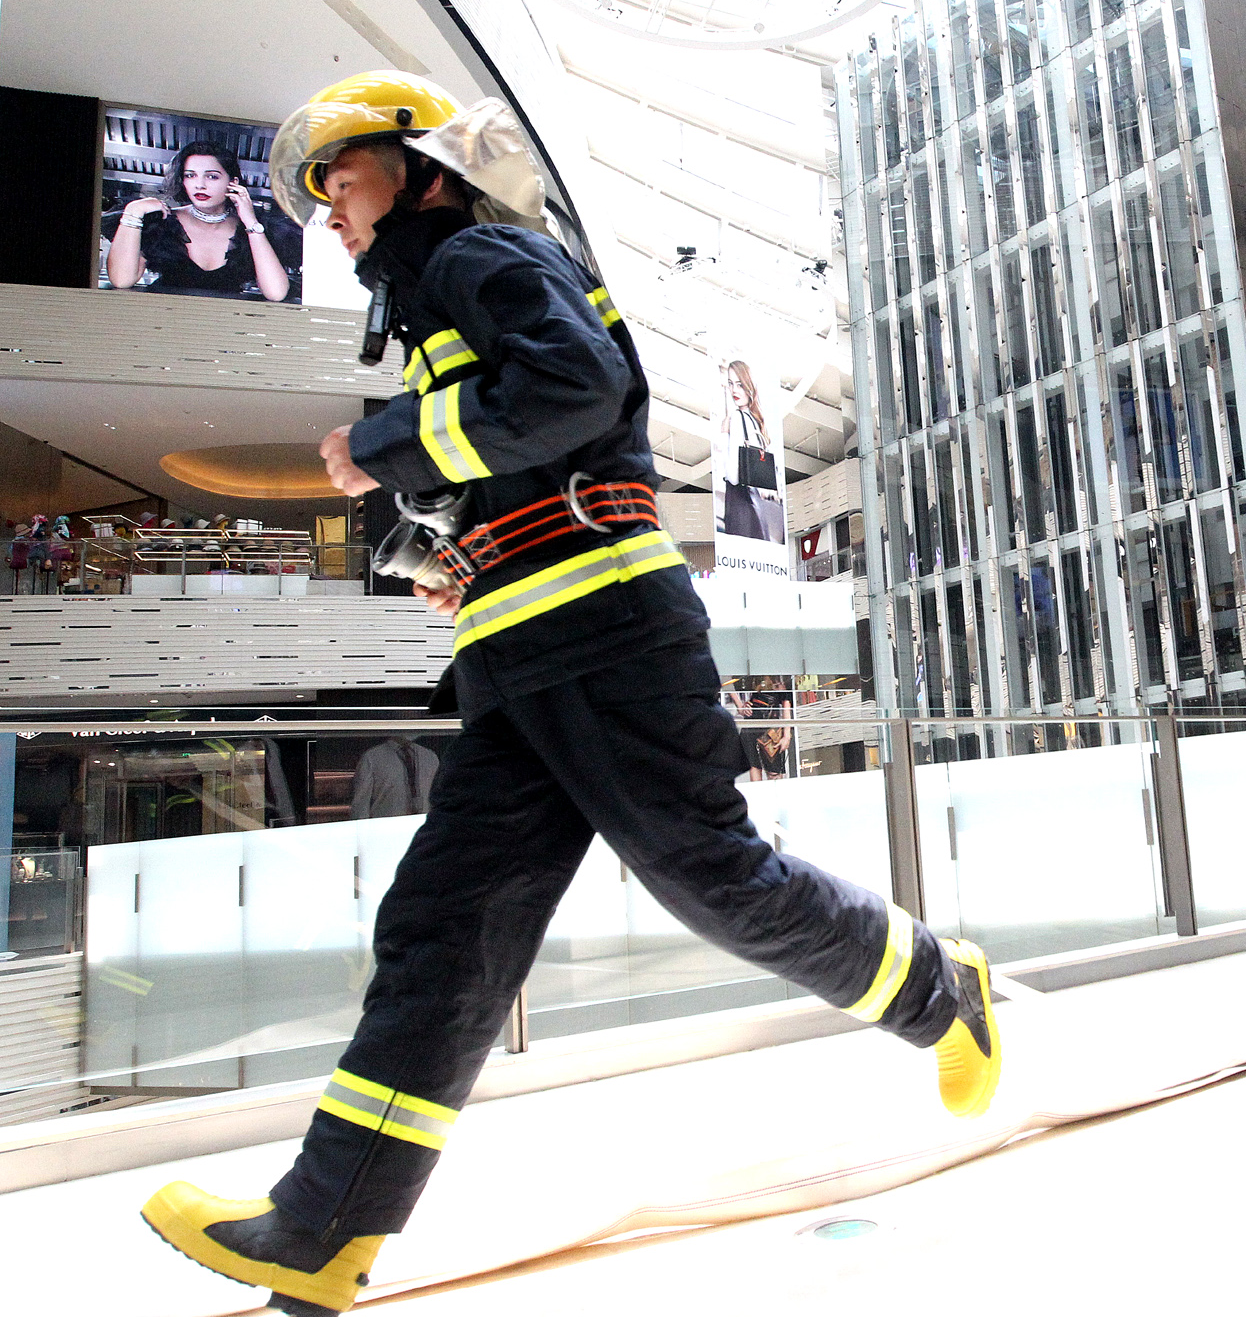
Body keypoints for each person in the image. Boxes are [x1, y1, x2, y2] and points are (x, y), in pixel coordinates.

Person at [138, 72, 1000, 1317]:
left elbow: (576, 393)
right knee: (443, 931)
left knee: (709, 878)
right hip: (523, 649)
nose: (328, 209)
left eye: (343, 177)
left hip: (600, 634)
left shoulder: (480, 252)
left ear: (422, 165)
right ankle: (323, 1227)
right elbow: (529, 444)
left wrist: (387, 446)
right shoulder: (445, 295)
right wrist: (437, 540)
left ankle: (940, 988)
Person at [104, 141, 299, 302]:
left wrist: (250, 222)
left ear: (234, 183)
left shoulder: (249, 231)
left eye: (212, 176)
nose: (200, 185)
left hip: (223, 333)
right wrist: (133, 211)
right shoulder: (161, 222)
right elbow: (121, 280)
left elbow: (276, 293)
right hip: (161, 327)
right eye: (191, 175)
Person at [716, 359, 784, 543]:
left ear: (749, 386)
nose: (734, 390)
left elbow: (732, 476)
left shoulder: (737, 418)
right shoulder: (755, 421)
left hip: (740, 509)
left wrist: (724, 435)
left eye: (739, 384)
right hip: (755, 507)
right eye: (731, 384)